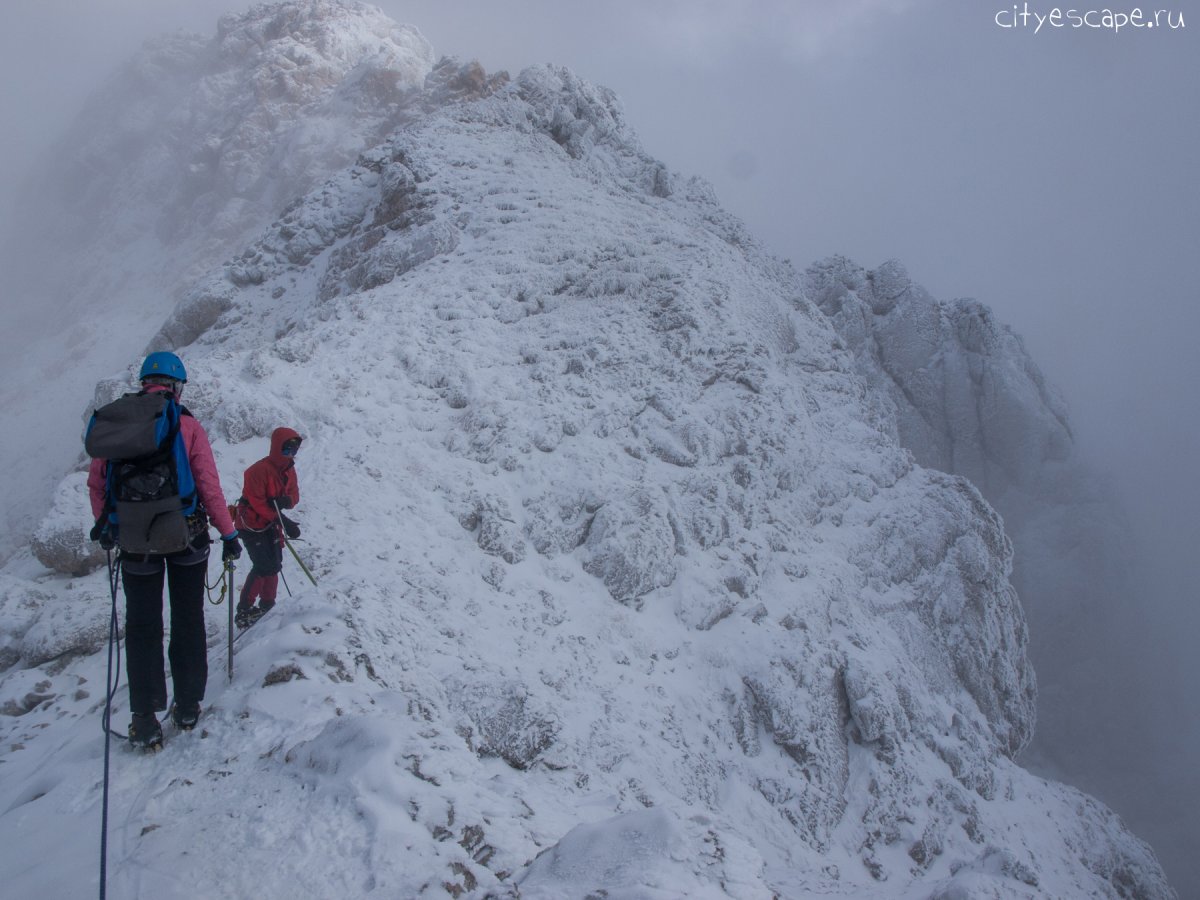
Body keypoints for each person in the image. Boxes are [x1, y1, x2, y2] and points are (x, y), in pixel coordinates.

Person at [88, 351, 241, 748]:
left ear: (144, 382)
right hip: (186, 537)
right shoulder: (187, 424)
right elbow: (207, 484)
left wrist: (109, 527)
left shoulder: (118, 422)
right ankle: (188, 705)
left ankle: (144, 719)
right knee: (187, 618)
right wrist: (228, 533)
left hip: (136, 542)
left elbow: (98, 485)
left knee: (142, 627)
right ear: (176, 386)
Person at [234, 427, 303, 628]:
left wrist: (286, 501)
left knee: (274, 564)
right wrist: (282, 520)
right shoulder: (257, 471)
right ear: (276, 448)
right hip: (251, 524)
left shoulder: (289, 470)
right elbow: (257, 503)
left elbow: (295, 494)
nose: (290, 455)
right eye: (286, 450)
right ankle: (244, 610)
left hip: (270, 522)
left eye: (293, 451)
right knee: (263, 565)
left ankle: (267, 604)